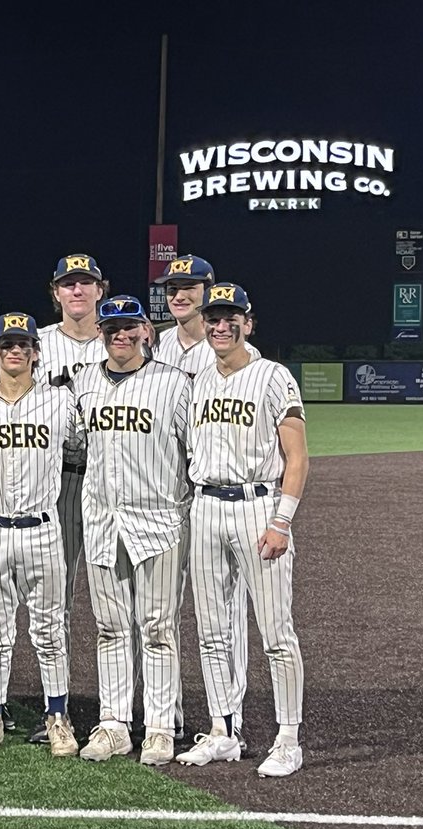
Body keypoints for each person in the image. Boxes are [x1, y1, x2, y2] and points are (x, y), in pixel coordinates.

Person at [177, 283, 309, 778]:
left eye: (232, 317)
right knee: (213, 632)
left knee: (276, 632)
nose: (221, 325)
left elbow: (296, 457)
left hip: (258, 507)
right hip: (206, 506)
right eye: (214, 317)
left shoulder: (273, 376)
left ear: (248, 323)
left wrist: (282, 520)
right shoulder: (198, 380)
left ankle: (288, 738)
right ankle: (223, 731)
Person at [71, 295, 192, 767]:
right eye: (110, 327)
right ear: (100, 331)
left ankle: (160, 726)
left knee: (159, 627)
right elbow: (78, 446)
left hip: (159, 521)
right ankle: (115, 723)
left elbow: (194, 451)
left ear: (145, 330)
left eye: (128, 327)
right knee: (109, 627)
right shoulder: (83, 383)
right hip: (103, 520)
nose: (119, 335)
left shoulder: (175, 384)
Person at [0, 313, 80, 758]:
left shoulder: (60, 404)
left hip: (43, 528)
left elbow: (81, 448)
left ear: (35, 351)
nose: (15, 351)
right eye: (7, 344)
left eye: (23, 344)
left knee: (49, 632)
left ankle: (58, 717)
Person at [151, 254, 257, 752]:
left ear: (210, 291)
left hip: (217, 493)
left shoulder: (241, 352)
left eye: (190, 287)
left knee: (226, 610)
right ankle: (164, 717)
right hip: (168, 492)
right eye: (173, 287)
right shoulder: (156, 343)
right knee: (165, 610)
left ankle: (228, 719)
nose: (180, 295)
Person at [28, 253, 110, 744]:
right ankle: (54, 709)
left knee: (116, 599)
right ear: (55, 292)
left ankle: (119, 708)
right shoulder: (37, 344)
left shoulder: (122, 335)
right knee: (52, 600)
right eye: (68, 284)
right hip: (55, 479)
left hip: (109, 480)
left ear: (101, 289)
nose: (76, 291)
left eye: (85, 283)